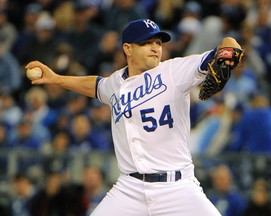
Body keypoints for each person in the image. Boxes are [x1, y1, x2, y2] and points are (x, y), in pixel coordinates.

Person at [26, 18, 242, 216]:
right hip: (130, 189)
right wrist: (56, 79)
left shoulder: (174, 71)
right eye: (147, 43)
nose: (155, 48)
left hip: (177, 186)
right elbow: (96, 85)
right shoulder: (116, 82)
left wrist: (228, 54)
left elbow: (228, 45)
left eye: (158, 42)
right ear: (127, 49)